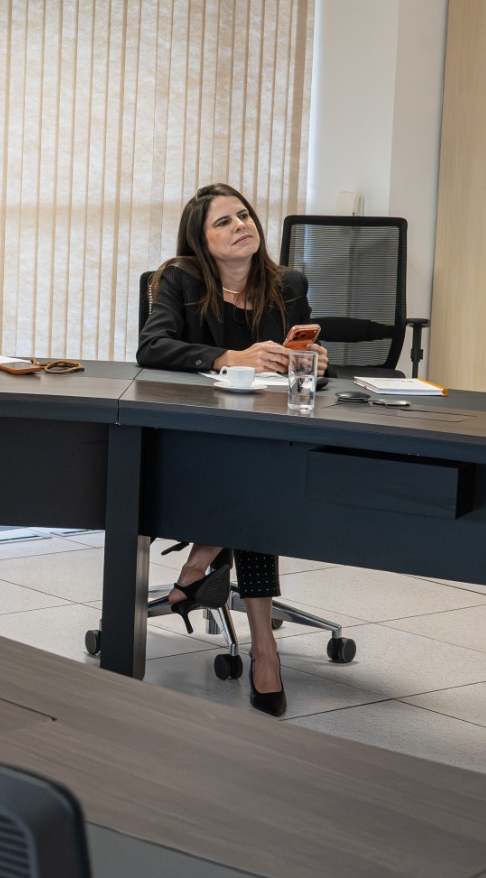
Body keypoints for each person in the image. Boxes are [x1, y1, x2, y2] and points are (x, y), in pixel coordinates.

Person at [137, 182, 328, 716]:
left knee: (254, 479)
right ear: (201, 240)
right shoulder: (178, 278)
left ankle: (201, 565)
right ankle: (263, 648)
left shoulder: (287, 284)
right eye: (223, 221)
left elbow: (303, 363)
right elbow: (151, 347)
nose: (241, 225)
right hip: (194, 436)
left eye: (243, 215)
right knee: (255, 487)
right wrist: (231, 357)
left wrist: (313, 363)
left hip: (263, 436)